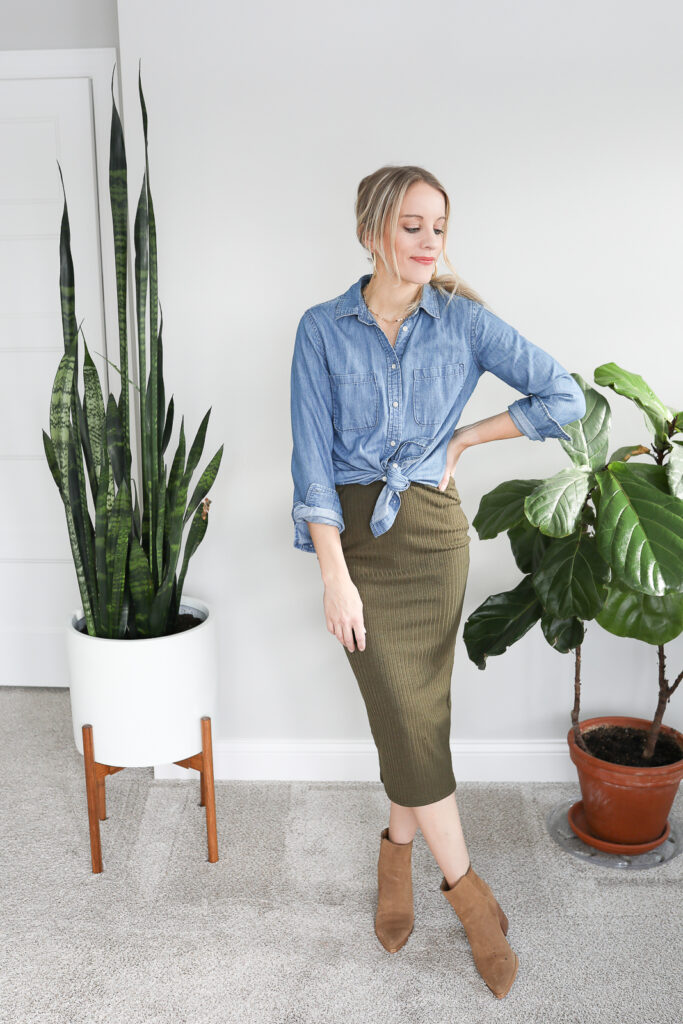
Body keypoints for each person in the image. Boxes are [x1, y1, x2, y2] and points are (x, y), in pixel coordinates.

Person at [289, 165, 586, 999]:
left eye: (437, 229)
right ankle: (469, 896)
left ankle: (405, 859)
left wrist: (464, 440)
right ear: (372, 230)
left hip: (431, 538)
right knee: (405, 710)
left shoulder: (462, 324)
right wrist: (333, 577)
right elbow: (310, 464)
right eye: (411, 226)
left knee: (415, 712)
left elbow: (564, 398)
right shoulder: (320, 328)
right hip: (354, 540)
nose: (427, 243)